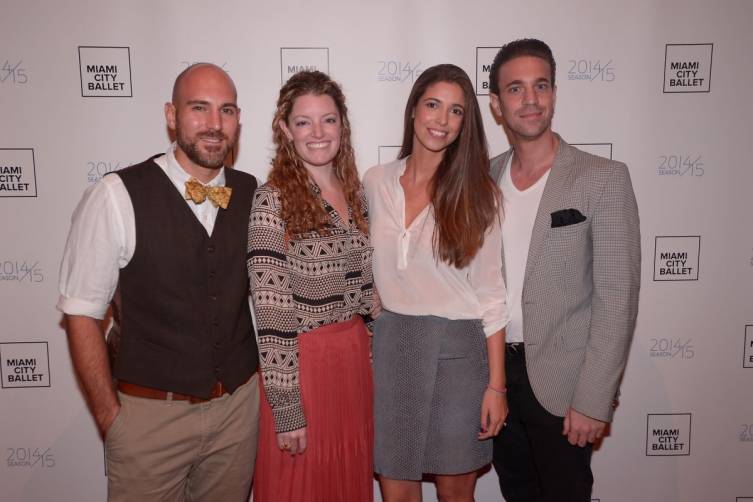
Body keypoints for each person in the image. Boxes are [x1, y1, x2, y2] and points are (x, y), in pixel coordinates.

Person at [57, 63, 260, 502]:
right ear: (171, 115)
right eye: (198, 108)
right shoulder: (115, 194)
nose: (213, 124)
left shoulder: (251, 192)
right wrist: (112, 420)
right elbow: (80, 314)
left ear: (238, 121)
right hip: (150, 420)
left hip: (236, 417)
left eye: (225, 111)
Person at [487, 39, 641, 502]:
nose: (530, 99)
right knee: (517, 492)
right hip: (494, 377)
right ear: (496, 104)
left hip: (564, 382)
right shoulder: (482, 177)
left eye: (541, 86)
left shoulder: (603, 177)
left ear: (554, 94)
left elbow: (618, 298)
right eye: (515, 89)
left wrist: (595, 398)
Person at [364, 64, 509, 502]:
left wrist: (496, 386)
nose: (441, 120)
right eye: (432, 105)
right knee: (397, 487)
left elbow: (492, 295)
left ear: (466, 124)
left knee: (454, 492)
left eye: (456, 111)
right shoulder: (376, 182)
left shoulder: (480, 194)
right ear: (413, 110)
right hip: (394, 348)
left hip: (459, 354)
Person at [247, 70, 377, 502]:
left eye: (329, 119)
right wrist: (287, 410)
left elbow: (366, 295)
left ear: (343, 125)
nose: (318, 133)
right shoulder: (272, 200)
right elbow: (271, 313)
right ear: (285, 129)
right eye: (304, 122)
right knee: (301, 486)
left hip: (354, 363)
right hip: (305, 369)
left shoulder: (356, 194)